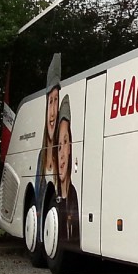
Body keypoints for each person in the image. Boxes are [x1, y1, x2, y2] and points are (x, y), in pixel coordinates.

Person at [34, 54, 61, 214]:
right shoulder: (40, 160)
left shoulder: (63, 158)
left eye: (56, 100)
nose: (52, 113)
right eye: (50, 101)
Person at [53, 96, 79, 251]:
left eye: (66, 142)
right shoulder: (56, 194)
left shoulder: (74, 196)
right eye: (59, 146)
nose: (62, 154)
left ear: (71, 149)